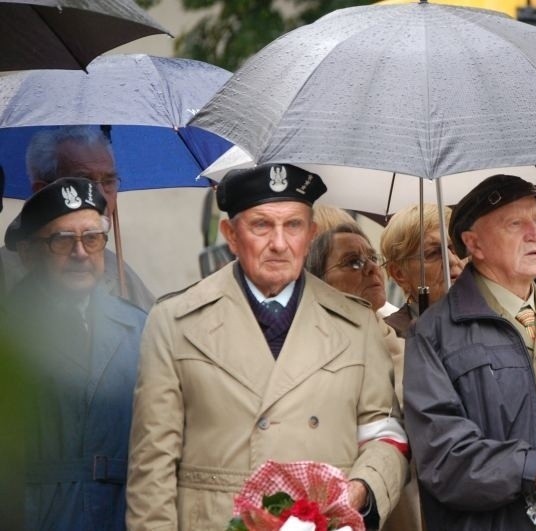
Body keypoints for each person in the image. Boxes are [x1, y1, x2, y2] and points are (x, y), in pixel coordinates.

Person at [126, 163, 409, 530]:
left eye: (293, 225)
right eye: (261, 225)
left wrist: (360, 489)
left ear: (310, 234)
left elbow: (385, 433)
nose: (279, 243)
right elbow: (152, 467)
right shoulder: (175, 322)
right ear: (230, 233)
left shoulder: (357, 325)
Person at [403, 174, 536, 530]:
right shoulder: (433, 335)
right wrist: (531, 468)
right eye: (515, 224)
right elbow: (442, 458)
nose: (534, 233)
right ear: (474, 244)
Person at [2, 177, 146, 530]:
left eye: (92, 239)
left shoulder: (138, 327)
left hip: (121, 514)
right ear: (29, 253)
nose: (81, 253)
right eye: (62, 241)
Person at [307, 222, 423, 531]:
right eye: (353, 262)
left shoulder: (407, 343)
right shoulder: (307, 352)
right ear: (318, 282)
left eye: (373, 258)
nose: (371, 269)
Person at [0, 126, 155, 310]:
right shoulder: (5, 273)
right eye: (84, 182)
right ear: (42, 191)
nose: (101, 197)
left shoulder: (120, 273)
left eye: (108, 182)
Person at [380, 203, 466, 337]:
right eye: (432, 253)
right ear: (399, 273)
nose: (453, 261)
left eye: (456, 248)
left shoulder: (496, 320)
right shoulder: (386, 337)